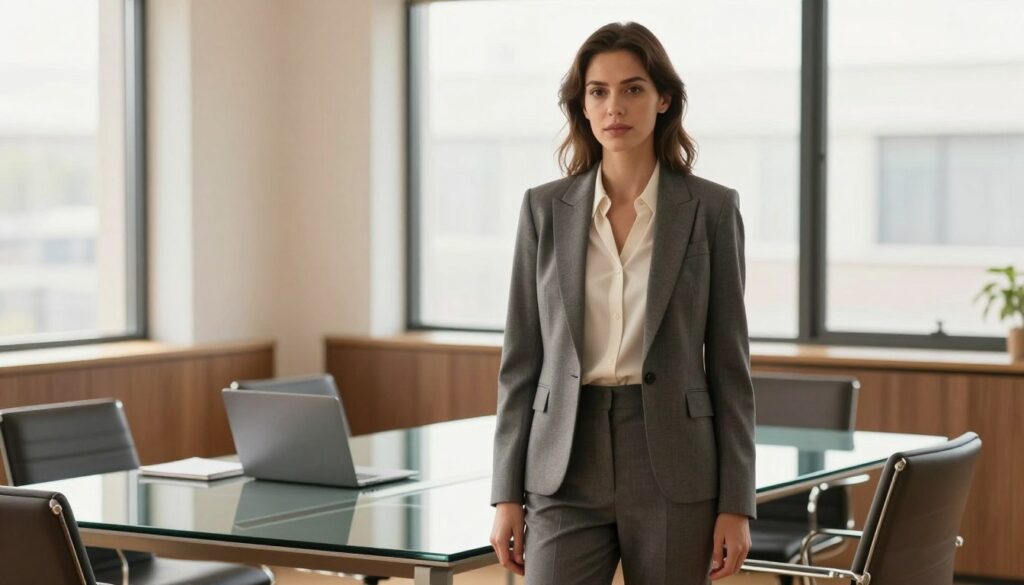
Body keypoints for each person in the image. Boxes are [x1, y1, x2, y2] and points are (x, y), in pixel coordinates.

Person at [488, 21, 756, 585]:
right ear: (582, 106)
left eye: (633, 89)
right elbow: (521, 361)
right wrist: (504, 494)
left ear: (663, 99)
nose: (616, 106)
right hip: (563, 458)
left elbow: (731, 367)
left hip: (674, 462)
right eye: (599, 91)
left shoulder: (710, 209)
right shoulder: (543, 210)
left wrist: (737, 501)